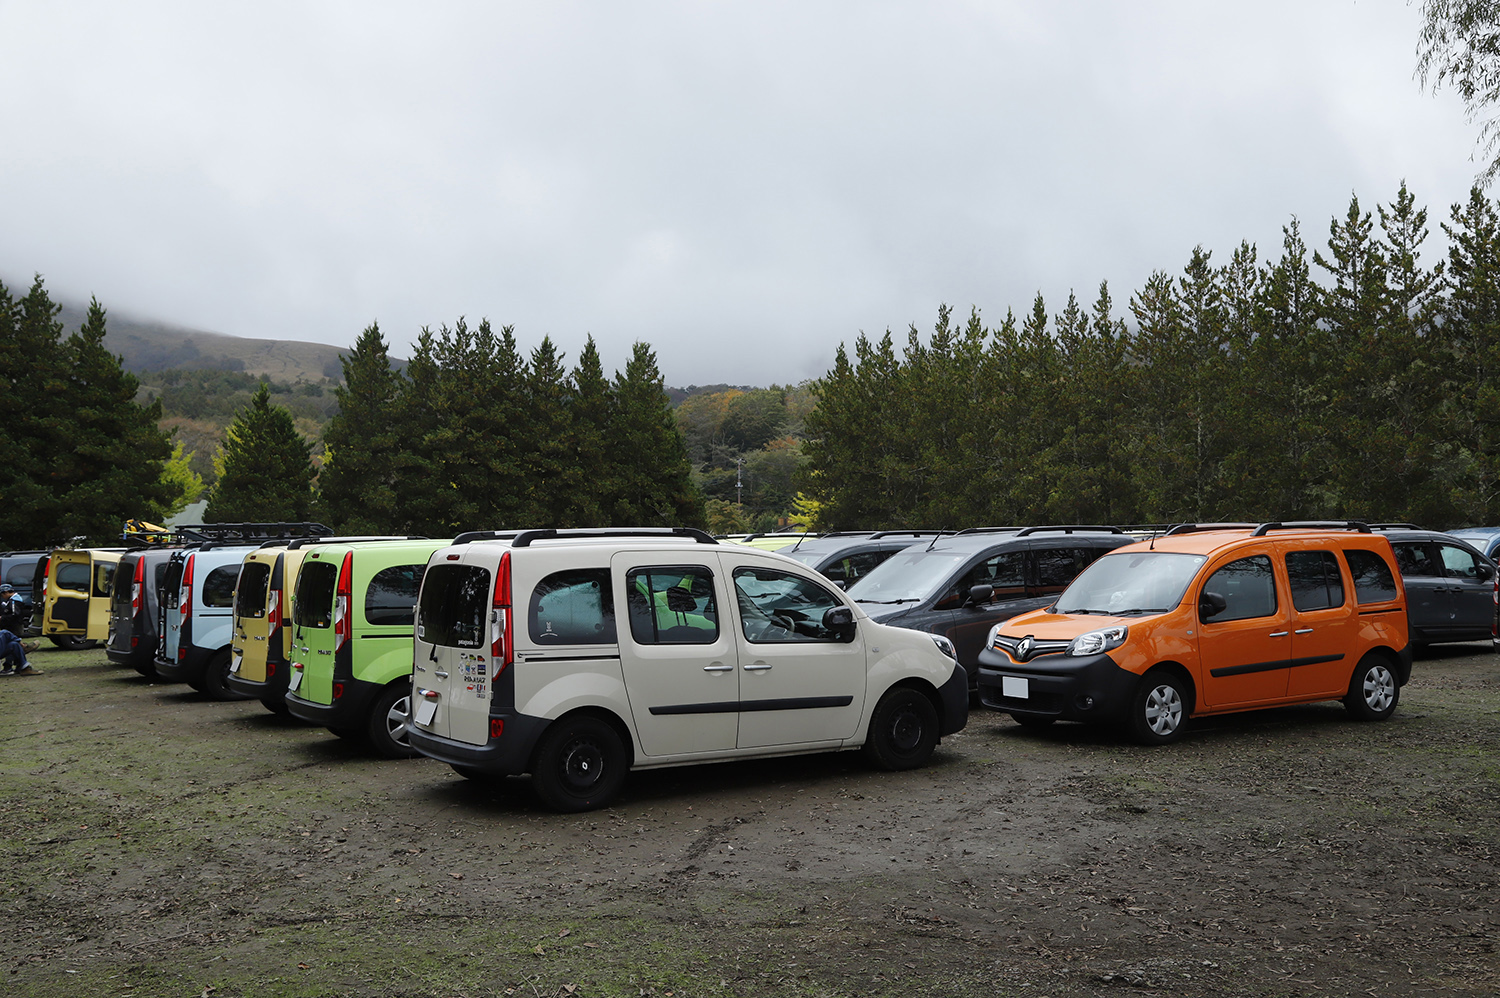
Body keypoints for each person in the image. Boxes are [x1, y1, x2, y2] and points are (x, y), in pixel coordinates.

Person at [0, 584, 41, 676]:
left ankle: (22, 667)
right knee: (5, 634)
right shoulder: (11, 601)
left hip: (14, 626)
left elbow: (15, 614)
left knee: (13, 643)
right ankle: (23, 647)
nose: (2, 597)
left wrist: (2, 618)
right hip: (9, 628)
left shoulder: (14, 601)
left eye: (2, 594)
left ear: (6, 592)